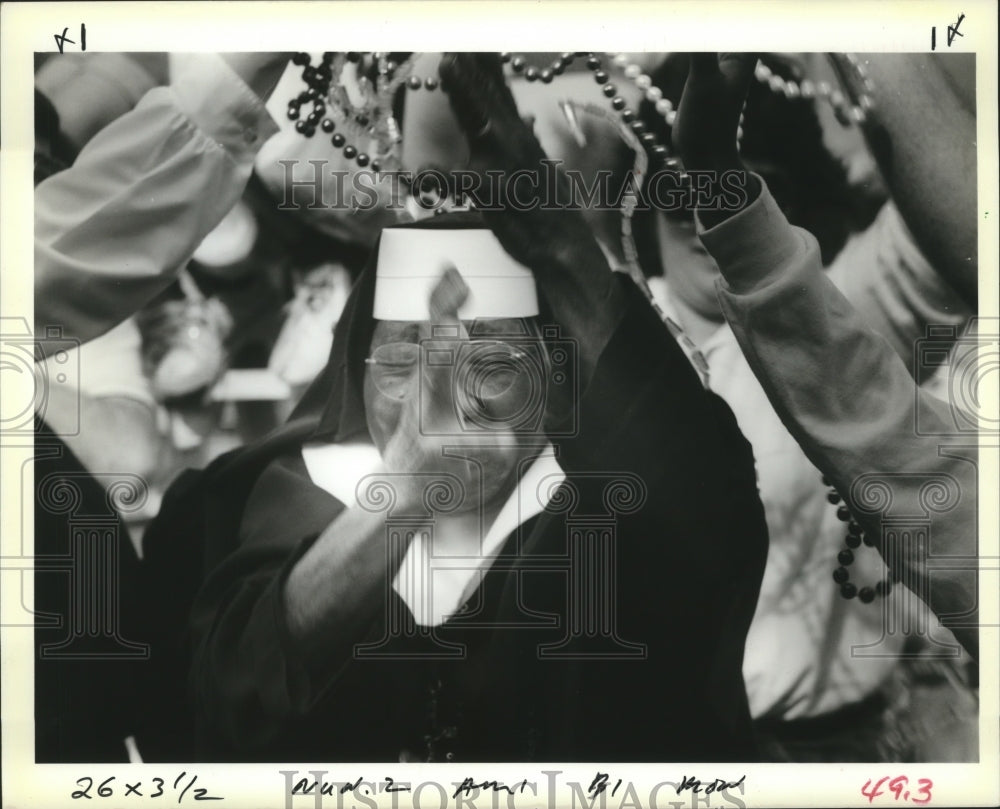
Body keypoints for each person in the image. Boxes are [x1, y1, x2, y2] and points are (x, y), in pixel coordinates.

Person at [179, 52, 774, 759]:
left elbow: (709, 507)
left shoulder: (608, 504)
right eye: (406, 354)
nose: (446, 389)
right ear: (357, 369)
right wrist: (403, 492)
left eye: (490, 357)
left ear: (553, 380)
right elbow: (235, 698)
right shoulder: (294, 492)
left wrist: (557, 240)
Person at [669, 53, 979, 660]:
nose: (692, 217)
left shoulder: (851, 306)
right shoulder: (602, 333)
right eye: (673, 192)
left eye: (760, 183)